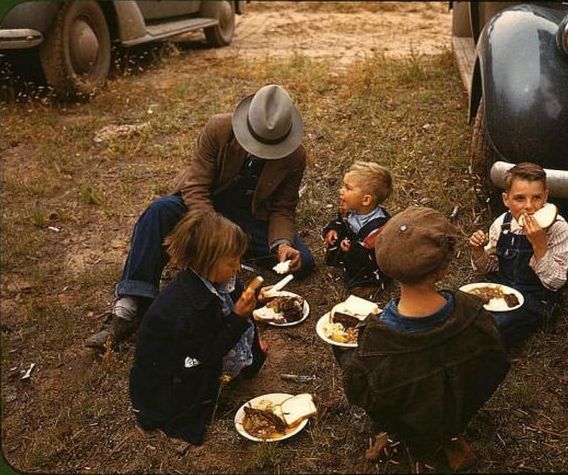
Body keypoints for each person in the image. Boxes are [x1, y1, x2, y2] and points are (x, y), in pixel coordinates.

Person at [86, 84, 315, 349]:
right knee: (158, 212)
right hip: (207, 202)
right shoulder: (218, 129)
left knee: (304, 261)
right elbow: (196, 186)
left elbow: (283, 208)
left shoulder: (295, 156)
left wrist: (283, 245)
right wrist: (214, 230)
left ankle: (234, 253)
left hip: (248, 217)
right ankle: (129, 306)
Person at [337, 206, 509, 471]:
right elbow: (497, 361)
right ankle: (450, 436)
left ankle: (400, 434)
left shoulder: (377, 339)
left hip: (405, 415)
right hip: (461, 403)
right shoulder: (471, 310)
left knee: (345, 353)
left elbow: (359, 392)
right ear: (443, 270)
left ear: (389, 268)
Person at [129, 210, 266, 445]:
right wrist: (237, 319)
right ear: (206, 262)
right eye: (232, 262)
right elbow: (207, 352)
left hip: (193, 352)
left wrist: (255, 301)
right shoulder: (190, 308)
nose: (238, 267)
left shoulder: (217, 279)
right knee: (197, 385)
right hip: (173, 377)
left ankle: (243, 363)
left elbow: (231, 300)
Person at [469, 163, 568, 348]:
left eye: (536, 198)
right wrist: (478, 252)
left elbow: (556, 282)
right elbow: (491, 267)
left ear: (546, 197)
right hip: (503, 288)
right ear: (506, 200)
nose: (529, 207)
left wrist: (540, 245)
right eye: (519, 198)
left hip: (535, 297)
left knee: (498, 327)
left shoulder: (558, 228)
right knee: (463, 308)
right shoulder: (502, 225)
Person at [322, 161, 393, 293]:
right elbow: (341, 222)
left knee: (364, 268)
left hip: (369, 260)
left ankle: (367, 284)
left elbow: (378, 254)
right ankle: (344, 263)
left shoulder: (377, 228)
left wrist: (352, 248)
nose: (341, 191)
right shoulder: (350, 210)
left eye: (348, 188)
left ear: (366, 200)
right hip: (352, 245)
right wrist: (333, 229)